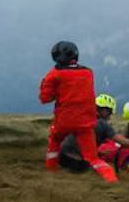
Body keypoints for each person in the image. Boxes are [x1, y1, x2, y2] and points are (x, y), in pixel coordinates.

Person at [40, 41, 117, 183]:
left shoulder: (54, 74)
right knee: (93, 157)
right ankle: (111, 180)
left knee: (54, 141)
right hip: (85, 122)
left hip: (64, 121)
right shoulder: (88, 73)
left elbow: (45, 99)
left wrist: (45, 84)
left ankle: (51, 173)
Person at [58, 92, 124, 171]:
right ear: (104, 110)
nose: (109, 116)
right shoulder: (101, 124)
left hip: (61, 156)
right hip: (75, 160)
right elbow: (122, 141)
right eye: (109, 112)